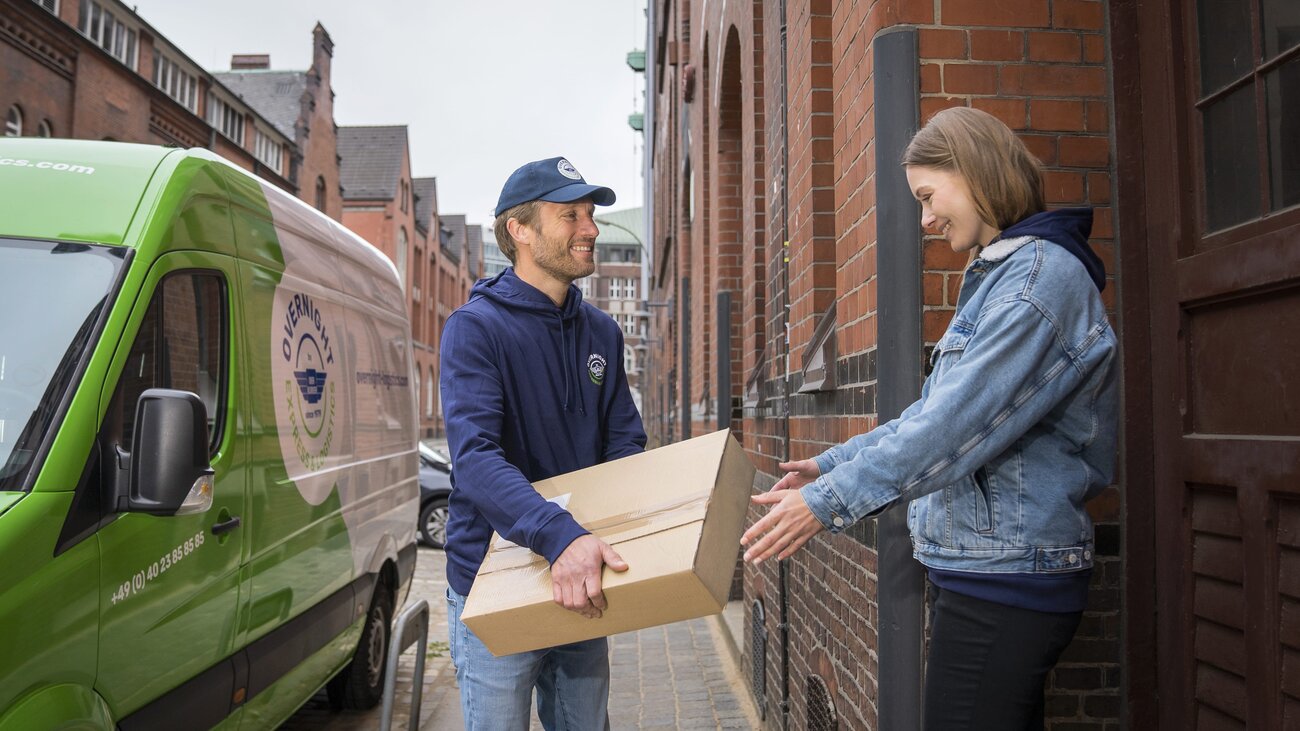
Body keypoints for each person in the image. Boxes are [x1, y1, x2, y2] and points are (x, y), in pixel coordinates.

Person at [740, 107, 1119, 730]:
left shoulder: (1038, 283)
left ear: (973, 172)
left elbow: (952, 429)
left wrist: (828, 501)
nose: (925, 218)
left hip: (1006, 581)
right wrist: (833, 463)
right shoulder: (1005, 275)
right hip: (982, 569)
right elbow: (937, 411)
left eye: (927, 195)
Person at [439, 156, 647, 730]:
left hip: (580, 579)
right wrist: (562, 537)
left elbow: (624, 441)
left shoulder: (601, 332)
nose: (591, 229)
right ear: (520, 230)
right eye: (570, 216)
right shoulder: (475, 329)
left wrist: (599, 536)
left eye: (591, 215)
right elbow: (476, 460)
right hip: (494, 580)